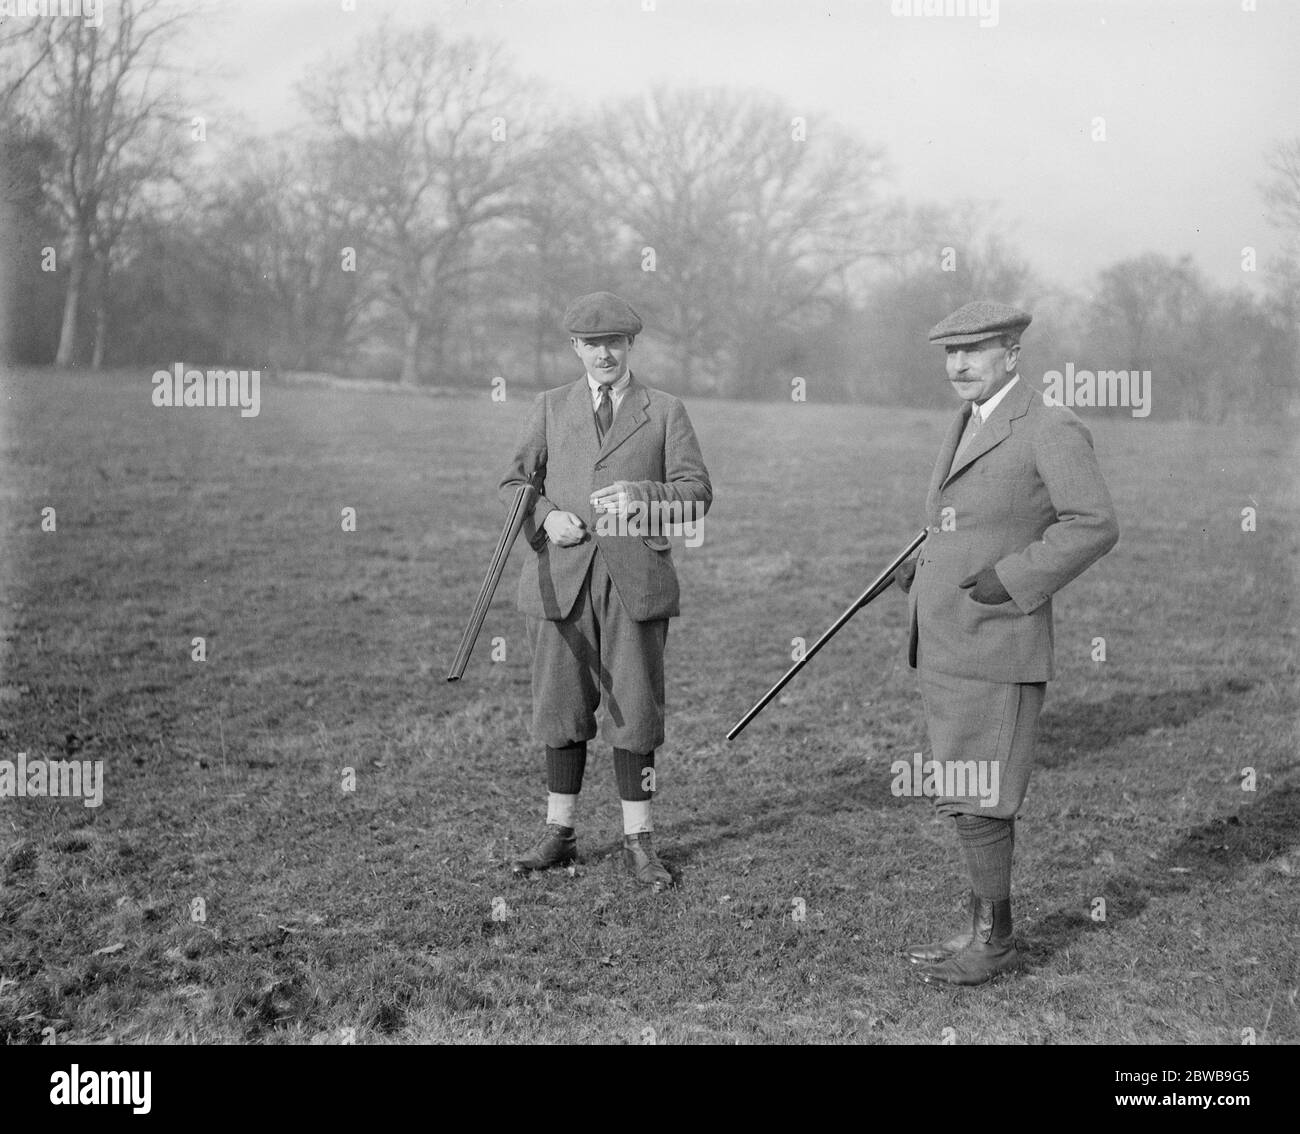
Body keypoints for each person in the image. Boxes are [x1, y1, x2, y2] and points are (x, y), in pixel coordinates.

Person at [894, 300, 1119, 986]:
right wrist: (921, 564)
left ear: (1012, 354)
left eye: (977, 351)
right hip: (948, 639)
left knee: (984, 791)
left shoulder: (1050, 425)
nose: (959, 365)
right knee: (963, 786)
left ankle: (995, 942)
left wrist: (1013, 578)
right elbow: (969, 521)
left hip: (999, 639)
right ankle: (978, 928)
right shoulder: (968, 419)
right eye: (950, 353)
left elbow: (1094, 523)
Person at [498, 291, 712, 892]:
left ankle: (639, 841)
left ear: (630, 346)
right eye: (592, 344)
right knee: (560, 710)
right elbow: (514, 484)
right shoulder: (548, 407)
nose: (604, 354)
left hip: (634, 583)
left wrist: (644, 498)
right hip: (560, 580)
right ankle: (559, 835)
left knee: (635, 713)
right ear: (576, 349)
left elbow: (697, 493)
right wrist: (544, 517)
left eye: (614, 342)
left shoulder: (665, 410)